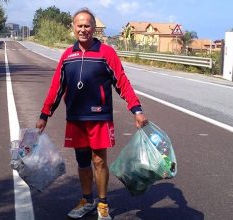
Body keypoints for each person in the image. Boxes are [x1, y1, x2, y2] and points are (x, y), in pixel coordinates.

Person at [36, 8, 147, 220]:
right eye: (79, 25)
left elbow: (122, 82)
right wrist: (44, 115)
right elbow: (56, 88)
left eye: (87, 25)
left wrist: (137, 109)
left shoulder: (106, 53)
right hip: (76, 118)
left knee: (99, 160)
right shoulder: (67, 56)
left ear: (94, 28)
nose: (83, 29)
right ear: (73, 28)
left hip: (99, 117)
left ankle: (103, 204)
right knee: (82, 162)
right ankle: (87, 200)